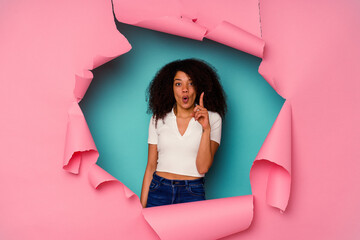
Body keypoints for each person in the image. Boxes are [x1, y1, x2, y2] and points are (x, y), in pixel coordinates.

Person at [140, 58, 227, 208]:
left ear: (199, 87)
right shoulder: (158, 118)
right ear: (171, 88)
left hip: (192, 192)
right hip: (158, 190)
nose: (184, 89)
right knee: (151, 232)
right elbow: (150, 166)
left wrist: (206, 129)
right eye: (178, 84)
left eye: (191, 83)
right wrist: (140, 209)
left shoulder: (213, 119)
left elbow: (203, 168)